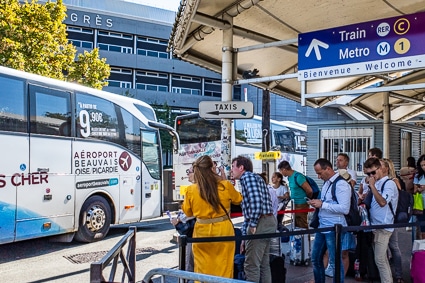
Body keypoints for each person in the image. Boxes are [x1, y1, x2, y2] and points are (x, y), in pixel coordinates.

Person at [182, 155, 242, 279]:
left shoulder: (191, 190)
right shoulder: (225, 185)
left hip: (201, 232)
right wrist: (221, 178)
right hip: (223, 230)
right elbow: (238, 199)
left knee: (202, 267)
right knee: (224, 266)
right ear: (212, 168)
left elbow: (188, 212)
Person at [231, 155, 276, 283]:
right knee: (263, 263)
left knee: (251, 265)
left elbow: (256, 202)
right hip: (267, 221)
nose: (231, 170)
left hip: (260, 223)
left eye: (233, 166)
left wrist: (253, 224)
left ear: (241, 167)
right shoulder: (254, 177)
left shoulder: (247, 178)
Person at [308, 158, 351, 283]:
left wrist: (322, 205)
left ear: (328, 169)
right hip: (323, 225)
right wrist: (317, 204)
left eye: (320, 173)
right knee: (316, 258)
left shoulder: (341, 184)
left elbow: (344, 208)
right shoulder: (327, 183)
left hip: (334, 227)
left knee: (335, 261)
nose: (318, 176)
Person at [363, 157, 398, 283]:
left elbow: (383, 202)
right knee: (381, 259)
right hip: (374, 226)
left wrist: (372, 186)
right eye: (368, 174)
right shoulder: (377, 183)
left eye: (373, 172)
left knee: (380, 260)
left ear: (381, 168)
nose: (371, 176)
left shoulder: (389, 184)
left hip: (384, 226)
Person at [382, 158, 404, 283]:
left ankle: (398, 274)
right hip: (385, 218)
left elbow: (396, 199)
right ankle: (389, 273)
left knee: (393, 246)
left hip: (391, 217)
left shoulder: (393, 181)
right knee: (385, 248)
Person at [171, 166, 196, 272]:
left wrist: (179, 219)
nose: (187, 174)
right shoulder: (196, 188)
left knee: (188, 261)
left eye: (189, 172)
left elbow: (192, 211)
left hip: (193, 231)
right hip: (196, 230)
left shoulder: (193, 189)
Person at [278, 160, 313, 229]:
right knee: (296, 225)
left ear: (284, 169)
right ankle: (299, 239)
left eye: (280, 171)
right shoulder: (289, 177)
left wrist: (306, 201)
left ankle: (305, 239)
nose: (281, 173)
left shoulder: (298, 177)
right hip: (294, 204)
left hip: (301, 204)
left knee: (302, 225)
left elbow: (309, 190)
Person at [413, 154, 425, 239]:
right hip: (421, 205)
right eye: (422, 165)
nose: (424, 167)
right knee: (423, 227)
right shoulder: (418, 176)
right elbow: (414, 190)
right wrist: (419, 189)